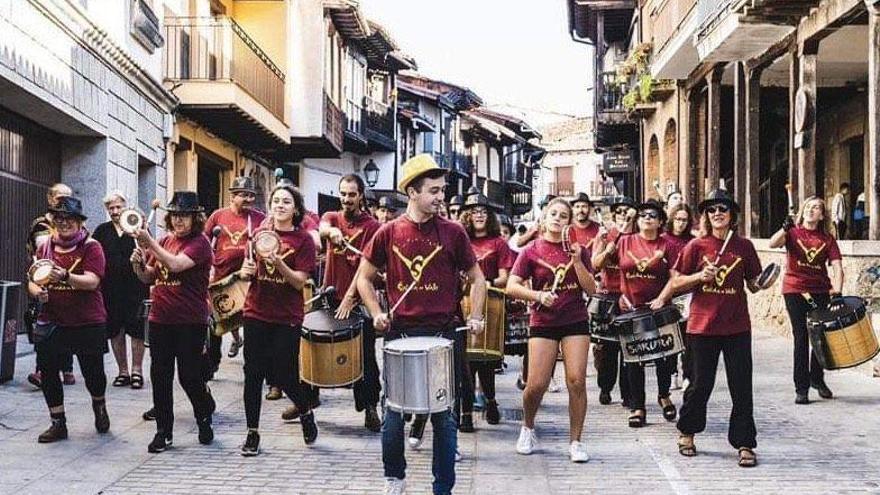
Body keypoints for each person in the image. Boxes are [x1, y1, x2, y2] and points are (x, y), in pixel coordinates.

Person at [357, 154, 487, 495]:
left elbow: (478, 279)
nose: (440, 197)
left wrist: (475, 315)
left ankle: (442, 488)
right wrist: (376, 312)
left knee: (445, 415)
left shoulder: (454, 232)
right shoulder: (388, 233)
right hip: (400, 333)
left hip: (444, 332)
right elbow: (364, 280)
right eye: (433, 191)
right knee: (394, 413)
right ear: (412, 192)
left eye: (442, 190)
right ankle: (394, 478)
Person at [657, 188, 763, 468]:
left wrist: (766, 281)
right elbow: (676, 283)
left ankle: (744, 442)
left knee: (741, 386)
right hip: (702, 327)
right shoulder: (696, 246)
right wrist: (698, 276)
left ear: (732, 215)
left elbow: (753, 284)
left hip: (737, 326)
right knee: (700, 384)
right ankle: (687, 431)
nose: (718, 213)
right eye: (712, 209)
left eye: (723, 209)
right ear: (706, 215)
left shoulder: (745, 247)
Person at [507, 197, 597, 463]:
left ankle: (576, 441)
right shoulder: (531, 250)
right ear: (544, 218)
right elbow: (512, 285)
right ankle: (528, 427)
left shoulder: (579, 250)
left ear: (569, 222)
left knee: (576, 380)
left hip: (575, 319)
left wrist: (578, 261)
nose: (558, 218)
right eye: (553, 214)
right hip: (543, 321)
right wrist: (536, 296)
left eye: (563, 215)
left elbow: (591, 289)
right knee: (536, 384)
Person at [237, 183, 319, 456]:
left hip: (287, 317)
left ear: (296, 209)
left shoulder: (303, 240)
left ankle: (305, 409)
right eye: (276, 201)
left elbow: (299, 282)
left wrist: (279, 262)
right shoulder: (259, 234)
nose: (280, 205)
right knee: (253, 373)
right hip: (256, 312)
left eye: (286, 201)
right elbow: (248, 271)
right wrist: (246, 271)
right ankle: (252, 433)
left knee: (284, 374)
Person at [131, 191, 217, 453]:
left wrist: (149, 244)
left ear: (195, 219)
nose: (179, 221)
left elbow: (177, 265)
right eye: (175, 216)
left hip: (190, 321)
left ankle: (203, 416)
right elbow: (150, 277)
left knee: (189, 377)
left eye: (185, 216)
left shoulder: (200, 243)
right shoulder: (165, 240)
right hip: (161, 318)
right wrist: (138, 265)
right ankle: (163, 432)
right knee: (160, 375)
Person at [27, 196, 109, 443]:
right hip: (52, 320)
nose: (63, 223)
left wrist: (64, 276)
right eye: (59, 218)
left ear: (79, 222)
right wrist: (37, 291)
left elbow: (93, 281)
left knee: (93, 371)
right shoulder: (45, 247)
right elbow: (33, 278)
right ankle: (58, 422)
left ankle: (99, 405)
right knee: (49, 371)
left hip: (87, 320)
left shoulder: (92, 247)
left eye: (69, 219)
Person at [316, 174, 383, 432]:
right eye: (343, 194)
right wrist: (330, 232)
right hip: (330, 295)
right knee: (315, 345)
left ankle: (370, 407)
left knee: (365, 355)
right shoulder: (332, 217)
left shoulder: (373, 227)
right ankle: (307, 402)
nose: (346, 199)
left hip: (358, 300)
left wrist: (351, 297)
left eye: (352, 194)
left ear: (361, 195)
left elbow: (367, 270)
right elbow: (322, 228)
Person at [769, 196, 843, 404]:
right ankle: (801, 388)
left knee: (820, 337)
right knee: (801, 337)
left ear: (822, 214)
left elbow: (837, 266)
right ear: (803, 210)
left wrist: (837, 291)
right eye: (809, 207)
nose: (812, 210)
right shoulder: (793, 232)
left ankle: (817, 379)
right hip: (795, 289)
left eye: (817, 208)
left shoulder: (827, 239)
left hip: (820, 290)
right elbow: (772, 243)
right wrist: (784, 229)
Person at [616, 199, 676, 427]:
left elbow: (675, 276)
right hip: (631, 307)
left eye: (652, 215)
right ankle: (638, 406)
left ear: (661, 221)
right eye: (642, 215)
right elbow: (604, 265)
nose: (647, 218)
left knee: (663, 356)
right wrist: (619, 292)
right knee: (633, 359)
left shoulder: (667, 244)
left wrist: (662, 298)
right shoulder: (625, 241)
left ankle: (664, 395)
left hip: (659, 307)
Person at [458, 194, 516, 430]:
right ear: (467, 216)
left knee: (485, 360)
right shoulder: (461, 240)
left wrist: (485, 282)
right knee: (465, 360)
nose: (479, 215)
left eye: (483, 211)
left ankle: (490, 400)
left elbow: (505, 277)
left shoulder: (498, 243)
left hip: (491, 304)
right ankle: (466, 413)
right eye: (473, 211)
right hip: (463, 303)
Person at [204, 177, 266, 374]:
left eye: (251, 196)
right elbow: (205, 242)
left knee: (247, 319)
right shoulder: (218, 216)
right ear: (232, 196)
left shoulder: (258, 218)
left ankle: (252, 366)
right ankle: (212, 364)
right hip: (221, 276)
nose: (248, 199)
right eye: (244, 195)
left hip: (246, 279)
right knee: (217, 321)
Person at [92, 191, 149, 390]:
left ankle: (137, 371)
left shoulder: (135, 226)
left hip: (136, 286)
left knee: (136, 329)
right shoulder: (101, 231)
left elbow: (148, 250)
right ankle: (122, 371)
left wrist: (143, 235)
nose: (115, 211)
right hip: (111, 288)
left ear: (125, 206)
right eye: (111, 208)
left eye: (118, 207)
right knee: (115, 329)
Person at [27, 183, 76, 389]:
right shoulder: (42, 223)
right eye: (59, 197)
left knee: (67, 323)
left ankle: (67, 369)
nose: (63, 200)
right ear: (50, 199)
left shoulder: (76, 222)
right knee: (44, 326)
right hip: (44, 279)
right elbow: (42, 246)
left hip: (67, 279)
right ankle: (43, 370)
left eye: (68, 196)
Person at [590, 196, 637, 407]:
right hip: (610, 295)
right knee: (608, 349)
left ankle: (629, 393)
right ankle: (605, 388)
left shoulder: (638, 238)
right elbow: (594, 264)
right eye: (619, 213)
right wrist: (607, 251)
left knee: (630, 348)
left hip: (631, 297)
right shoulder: (605, 235)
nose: (623, 217)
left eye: (627, 213)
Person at [662, 203, 696, 389]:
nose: (681, 223)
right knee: (669, 336)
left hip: (687, 294)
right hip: (667, 294)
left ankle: (687, 374)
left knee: (687, 338)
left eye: (684, 220)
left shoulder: (693, 242)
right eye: (678, 219)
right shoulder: (663, 240)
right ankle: (672, 372)